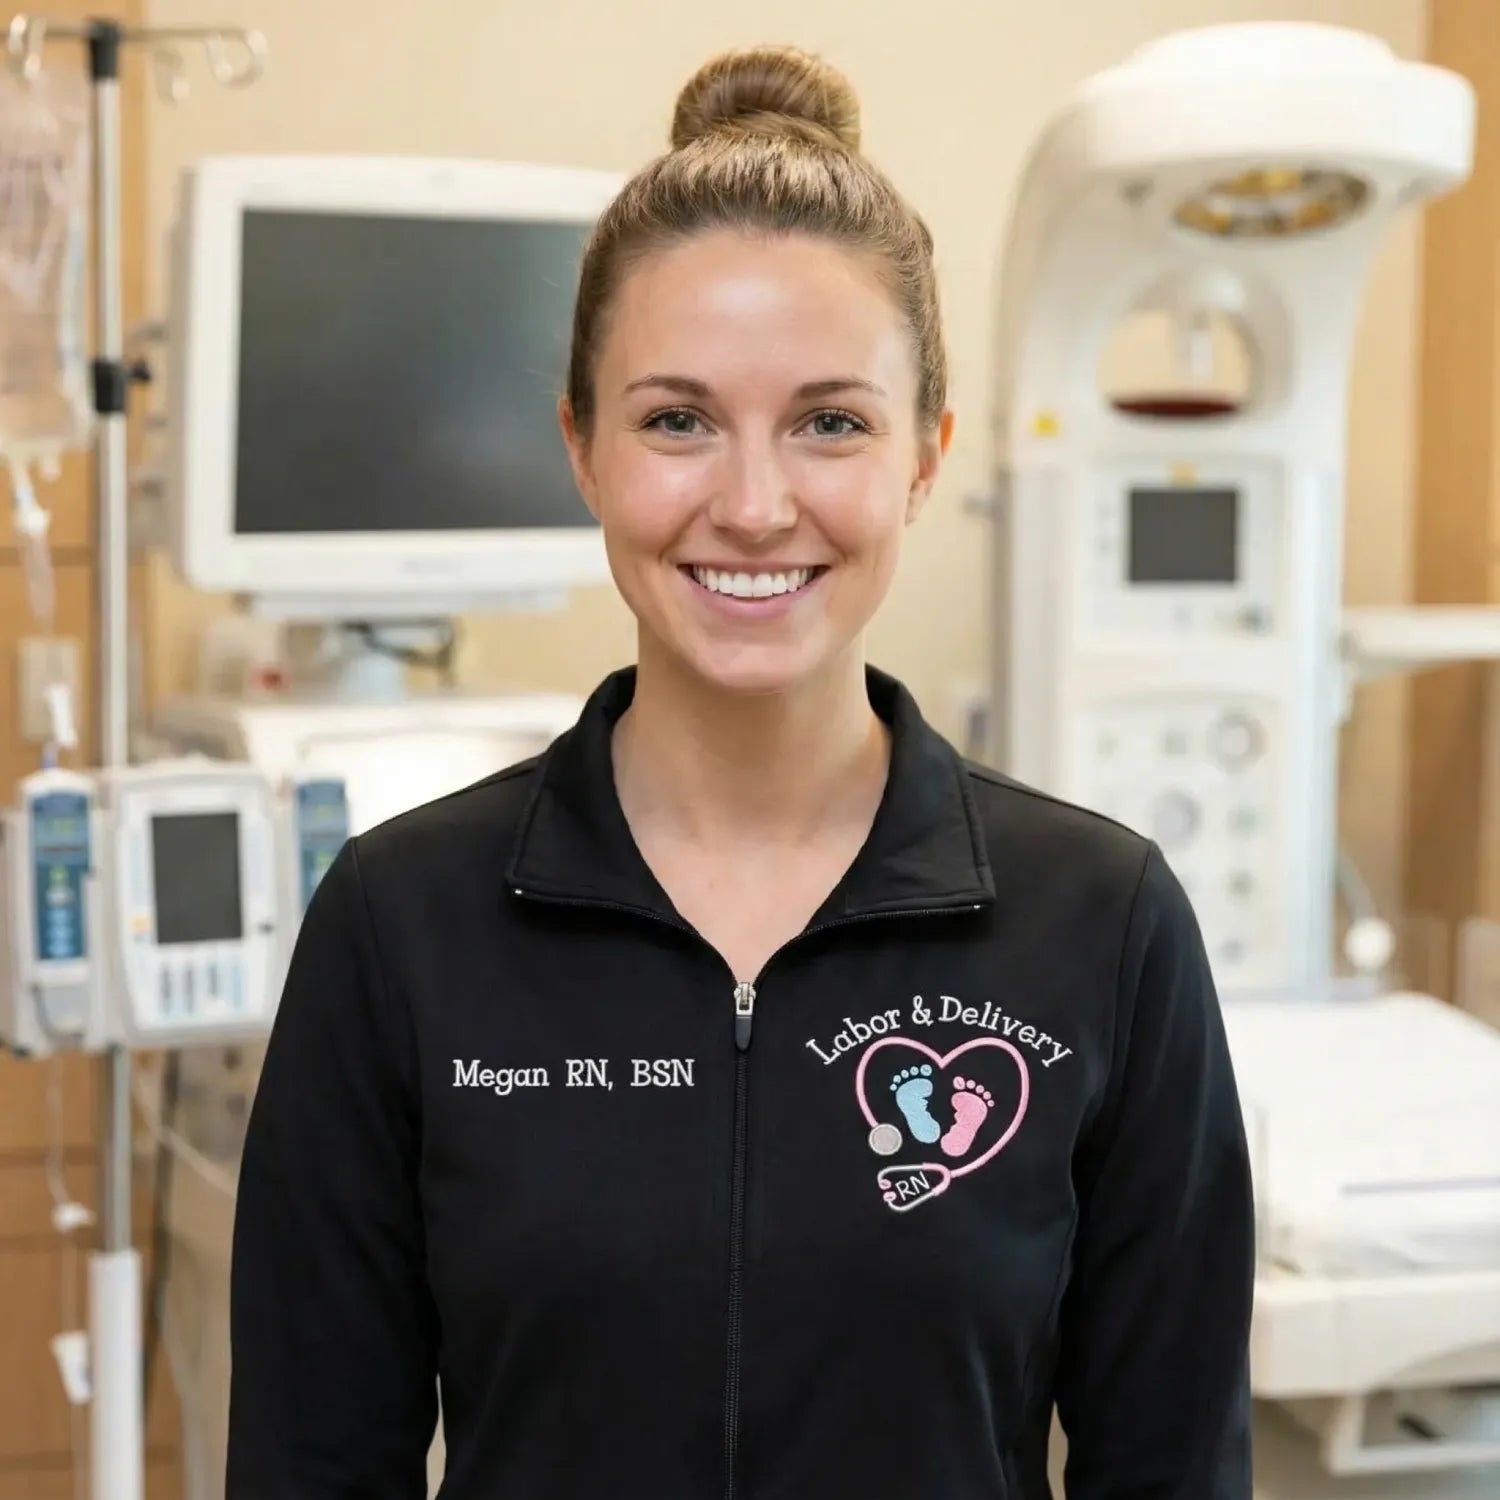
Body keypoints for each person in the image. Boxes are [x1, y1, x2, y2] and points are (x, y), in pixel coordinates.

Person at [226, 43, 1255, 1500]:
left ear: (925, 454)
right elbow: (312, 1466)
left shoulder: (1103, 925)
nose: (757, 505)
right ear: (582, 448)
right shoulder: (402, 926)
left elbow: (1175, 1469)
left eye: (832, 422)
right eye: (678, 420)